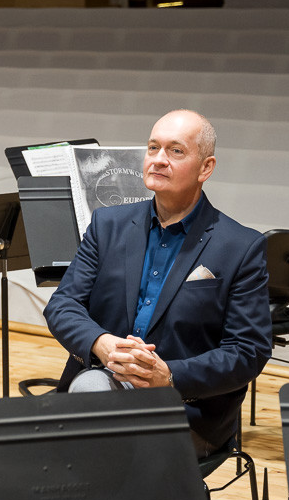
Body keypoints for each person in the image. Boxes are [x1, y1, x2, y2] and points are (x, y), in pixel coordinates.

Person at [44, 109, 271, 457]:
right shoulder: (107, 225)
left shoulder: (240, 246)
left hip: (184, 409)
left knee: (90, 443)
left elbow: (247, 350)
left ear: (206, 168)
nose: (159, 159)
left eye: (175, 151)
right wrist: (102, 344)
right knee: (89, 401)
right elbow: (63, 305)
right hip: (100, 384)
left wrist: (169, 376)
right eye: (153, 148)